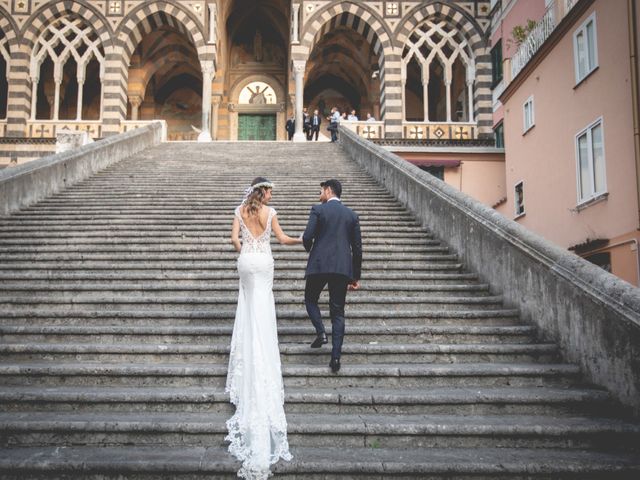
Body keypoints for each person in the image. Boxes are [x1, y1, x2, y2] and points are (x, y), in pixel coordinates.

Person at [227, 177, 301, 479]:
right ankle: (262, 350)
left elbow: (234, 240)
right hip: (264, 262)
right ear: (264, 192)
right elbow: (282, 240)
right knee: (262, 307)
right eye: (270, 192)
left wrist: (244, 248)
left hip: (246, 261)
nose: (272, 196)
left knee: (247, 308)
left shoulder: (239, 210)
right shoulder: (270, 213)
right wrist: (303, 240)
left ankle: (247, 347)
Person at [302, 179, 362, 373]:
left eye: (321, 190)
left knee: (310, 299)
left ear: (328, 191)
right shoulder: (351, 215)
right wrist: (355, 277)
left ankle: (321, 333)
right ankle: (335, 358)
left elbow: (307, 236)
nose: (319, 194)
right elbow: (358, 249)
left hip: (319, 265)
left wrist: (310, 248)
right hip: (342, 268)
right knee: (338, 312)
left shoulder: (318, 210)